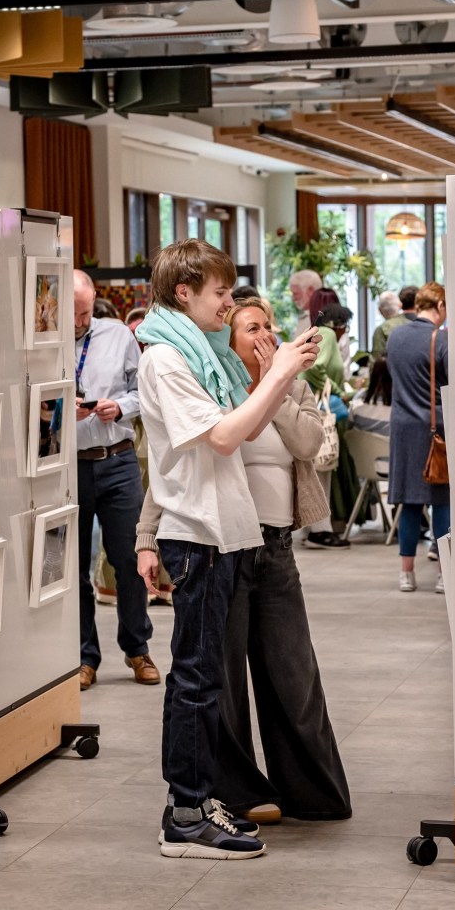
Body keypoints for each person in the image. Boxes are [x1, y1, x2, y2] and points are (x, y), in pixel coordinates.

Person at [134, 239, 319, 860]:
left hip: (221, 533)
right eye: (219, 292)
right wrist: (282, 372)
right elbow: (222, 436)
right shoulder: (167, 359)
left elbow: (252, 428)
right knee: (195, 680)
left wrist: (275, 375)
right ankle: (186, 816)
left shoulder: (202, 353)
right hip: (198, 535)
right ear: (183, 292)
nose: (227, 303)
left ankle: (195, 802)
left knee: (203, 677)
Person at [73, 269, 160, 690]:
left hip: (118, 460)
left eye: (85, 312)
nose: (79, 321)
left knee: (129, 559)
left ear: (94, 300)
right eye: (72, 314)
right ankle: (83, 657)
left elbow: (143, 393)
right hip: (68, 466)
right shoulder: (42, 342)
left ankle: (137, 648)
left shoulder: (118, 335)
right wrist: (58, 408)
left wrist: (120, 407)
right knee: (73, 566)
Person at [386, 282, 449, 593]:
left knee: (409, 503)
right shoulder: (441, 339)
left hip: (402, 427)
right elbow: (452, 384)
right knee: (442, 501)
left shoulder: (395, 337)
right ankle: (443, 574)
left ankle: (406, 573)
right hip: (434, 429)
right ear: (439, 306)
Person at [298, 288, 351, 549]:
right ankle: (320, 529)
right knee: (322, 466)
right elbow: (316, 366)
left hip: (307, 405)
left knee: (314, 466)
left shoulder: (315, 331)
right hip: (318, 407)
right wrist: (340, 391)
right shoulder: (328, 334)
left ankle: (313, 527)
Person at [349, 355, 391, 437]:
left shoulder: (358, 400)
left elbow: (349, 426)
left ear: (372, 374)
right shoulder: (400, 410)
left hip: (357, 444)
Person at [289, 268, 322, 337]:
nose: (293, 299)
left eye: (296, 293)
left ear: (311, 290)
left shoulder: (318, 318)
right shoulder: (308, 317)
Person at [371, 290, 401, 363]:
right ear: (400, 305)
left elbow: (377, 360)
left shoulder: (381, 330)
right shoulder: (411, 324)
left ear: (380, 310)